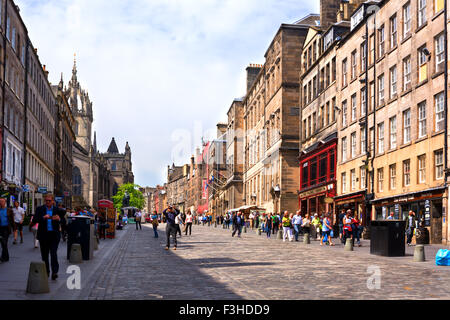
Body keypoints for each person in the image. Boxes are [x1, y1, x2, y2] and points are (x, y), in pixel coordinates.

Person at [31, 194, 65, 280]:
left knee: (53, 254)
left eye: (49, 201)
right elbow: (34, 220)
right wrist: (43, 217)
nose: (47, 202)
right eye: (46, 200)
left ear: (53, 201)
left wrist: (59, 219)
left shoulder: (58, 210)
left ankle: (54, 272)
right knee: (44, 255)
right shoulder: (40, 209)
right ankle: (46, 271)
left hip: (54, 235)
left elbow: (64, 221)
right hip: (43, 235)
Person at [0, 198, 14, 262]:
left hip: (6, 228)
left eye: (2, 201)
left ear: (5, 202)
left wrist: (14, 228)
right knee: (3, 243)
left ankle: (4, 257)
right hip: (0, 228)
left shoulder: (9, 210)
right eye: (0, 201)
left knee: (4, 242)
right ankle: (5, 257)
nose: (1, 203)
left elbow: (12, 220)